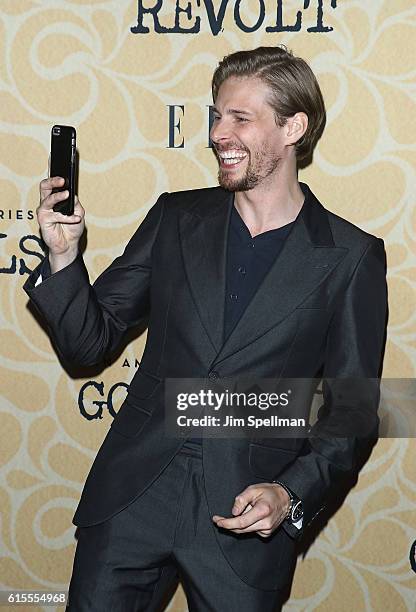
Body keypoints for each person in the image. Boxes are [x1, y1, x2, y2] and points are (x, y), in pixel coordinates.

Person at [24, 46, 388, 611]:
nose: (220, 132)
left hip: (244, 512)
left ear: (294, 126)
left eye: (240, 118)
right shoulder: (175, 218)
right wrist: (65, 258)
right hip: (133, 496)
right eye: (216, 115)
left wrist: (291, 491)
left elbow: (354, 407)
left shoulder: (350, 256)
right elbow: (87, 343)